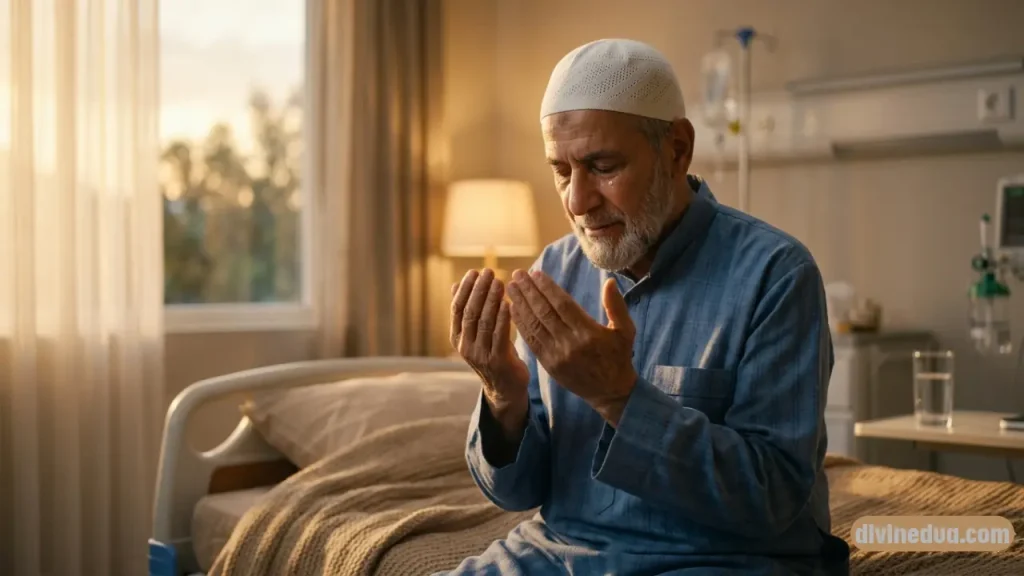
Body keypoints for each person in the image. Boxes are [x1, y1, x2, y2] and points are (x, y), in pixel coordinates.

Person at [444, 38, 851, 576]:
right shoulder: (554, 273)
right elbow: (516, 493)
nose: (575, 201)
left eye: (603, 166)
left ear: (677, 149)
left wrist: (618, 397)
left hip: (720, 560)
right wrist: (503, 395)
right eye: (561, 171)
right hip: (558, 554)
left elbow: (772, 499)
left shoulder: (776, 274)